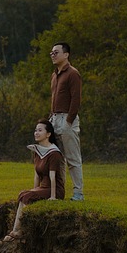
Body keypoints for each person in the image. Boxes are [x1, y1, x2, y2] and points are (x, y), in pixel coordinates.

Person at [3, 119, 65, 242]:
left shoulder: (54, 153)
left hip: (54, 189)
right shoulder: (37, 151)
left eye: (40, 130)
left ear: (48, 134)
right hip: (43, 188)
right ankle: (16, 230)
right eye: (36, 130)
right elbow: (37, 175)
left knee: (28, 196)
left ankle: (20, 231)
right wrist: (34, 190)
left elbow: (53, 176)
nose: (36, 133)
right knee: (23, 194)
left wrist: (53, 197)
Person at [49, 41, 84, 201]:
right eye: (51, 52)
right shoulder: (54, 74)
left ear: (66, 54)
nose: (52, 55)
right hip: (55, 118)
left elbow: (76, 99)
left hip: (66, 119)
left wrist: (68, 121)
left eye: (56, 52)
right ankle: (59, 193)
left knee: (73, 158)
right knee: (58, 158)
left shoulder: (73, 73)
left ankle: (78, 193)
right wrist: (51, 118)